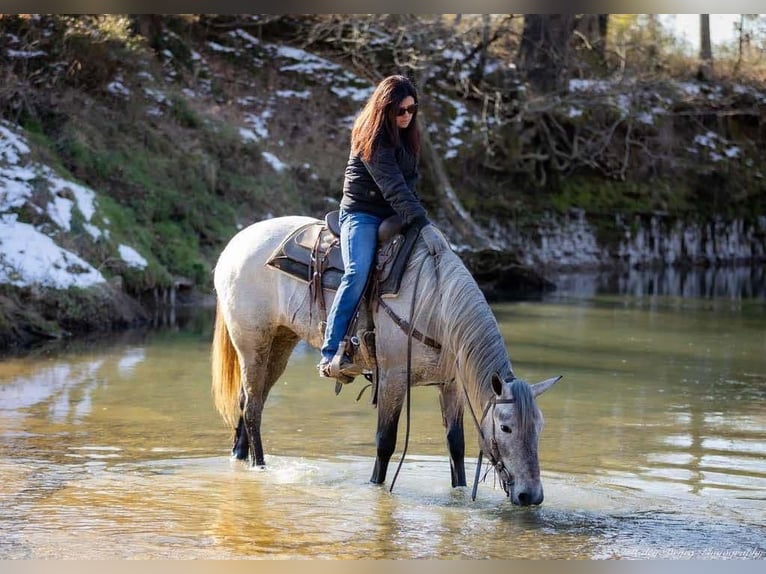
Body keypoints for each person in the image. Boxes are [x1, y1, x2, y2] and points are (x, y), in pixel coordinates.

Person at [318, 74, 445, 380]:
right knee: (357, 272)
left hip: (394, 214)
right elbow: (393, 187)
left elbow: (409, 185)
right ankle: (331, 352)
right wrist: (420, 220)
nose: (407, 116)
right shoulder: (370, 136)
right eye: (400, 110)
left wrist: (419, 222)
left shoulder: (408, 135)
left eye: (412, 109)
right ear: (385, 109)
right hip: (360, 213)